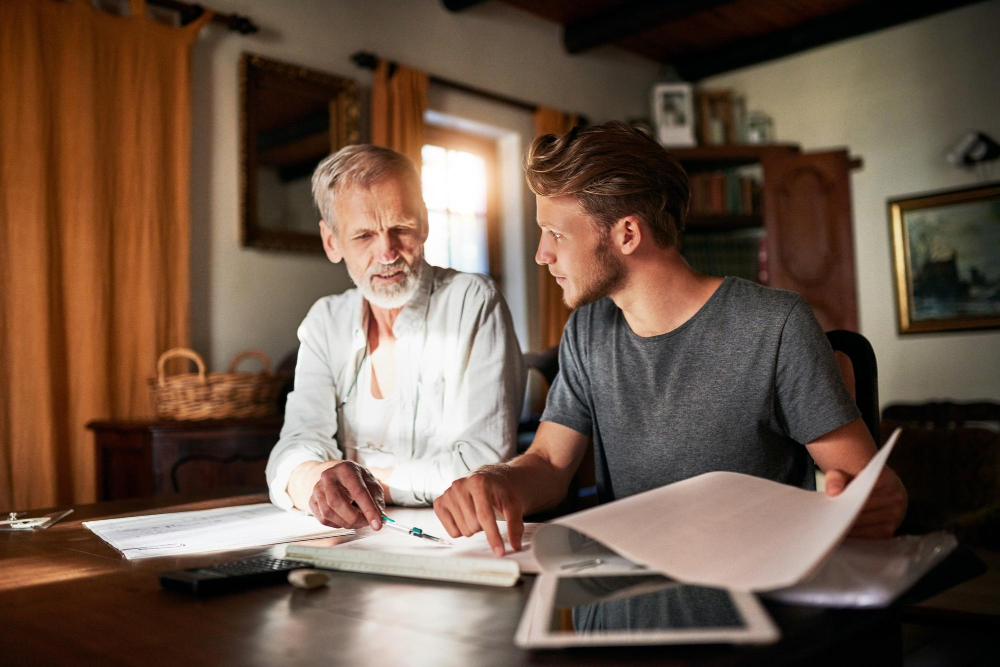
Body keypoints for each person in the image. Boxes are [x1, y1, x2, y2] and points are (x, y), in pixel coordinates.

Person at [433, 122, 907, 556]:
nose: (542, 254)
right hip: (613, 615)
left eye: (556, 233)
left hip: (748, 615)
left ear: (627, 234)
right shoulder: (586, 331)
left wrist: (875, 503)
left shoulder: (775, 326)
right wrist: (495, 481)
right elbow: (550, 464)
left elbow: (874, 490)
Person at [266, 144, 526, 531]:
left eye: (400, 228)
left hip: (454, 537)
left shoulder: (473, 301)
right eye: (364, 236)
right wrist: (315, 482)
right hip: (352, 538)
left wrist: (360, 480)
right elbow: (292, 450)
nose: (387, 252)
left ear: (424, 223)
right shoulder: (326, 321)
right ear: (331, 242)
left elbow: (480, 465)